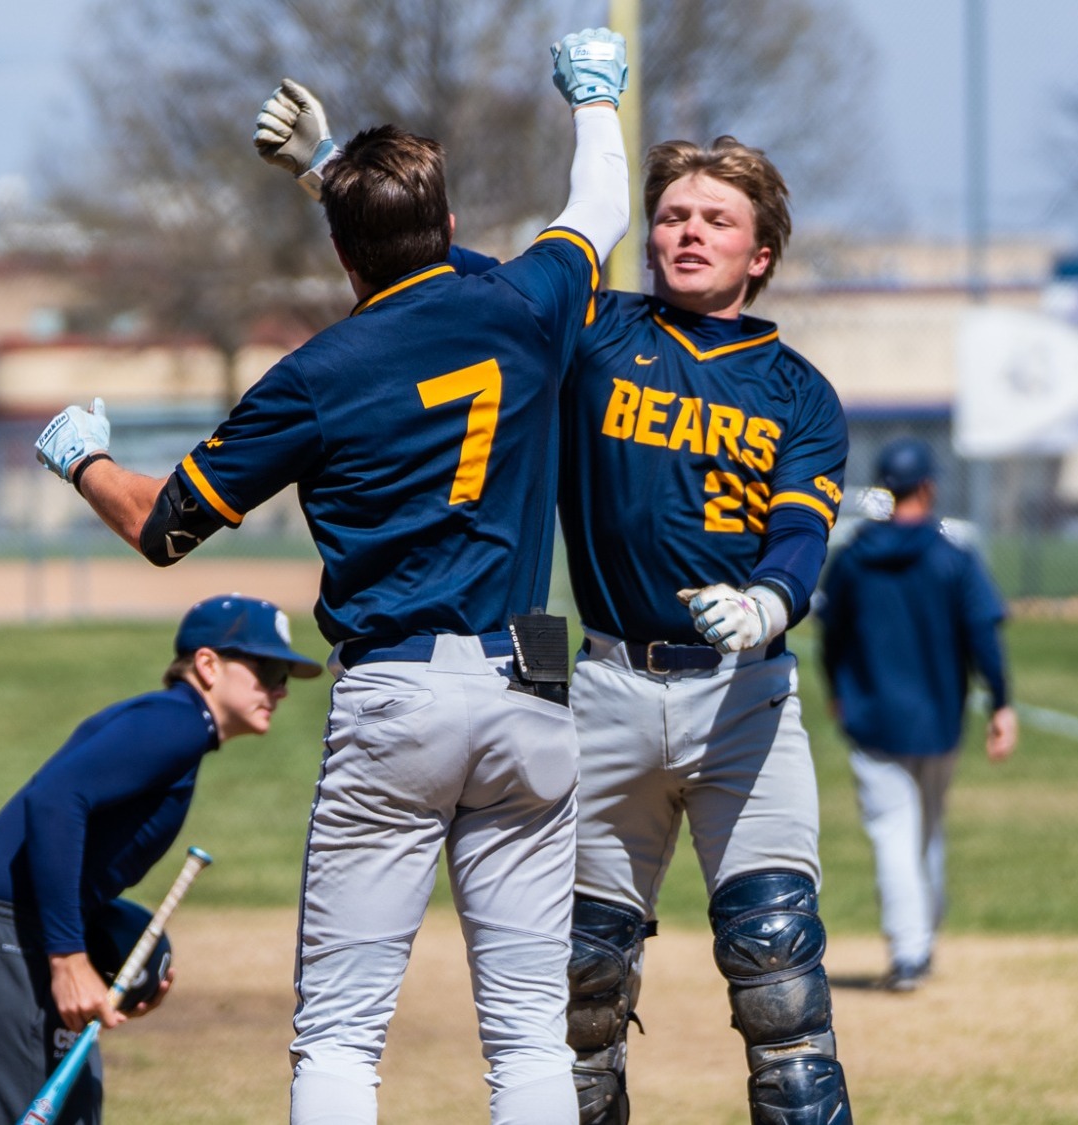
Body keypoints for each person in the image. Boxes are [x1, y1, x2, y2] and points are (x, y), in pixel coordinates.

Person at [34, 29, 631, 1124]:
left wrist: (84, 458)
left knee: (343, 1038)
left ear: (346, 258)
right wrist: (593, 98)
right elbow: (597, 210)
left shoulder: (314, 377)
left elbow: (163, 528)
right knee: (527, 1037)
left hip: (395, 694)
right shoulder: (523, 306)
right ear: (448, 228)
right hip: (527, 689)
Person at [254, 86, 851, 1122]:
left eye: (717, 220)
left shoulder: (796, 390)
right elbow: (442, 282)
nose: (686, 232)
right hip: (606, 690)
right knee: (575, 995)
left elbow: (800, 529)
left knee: (776, 971)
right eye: (669, 214)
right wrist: (325, 177)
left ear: (761, 254)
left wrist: (767, 601)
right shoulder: (590, 333)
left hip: (742, 702)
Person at [0, 594, 319, 1125]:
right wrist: (68, 959)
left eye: (284, 675)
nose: (281, 689)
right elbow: (56, 800)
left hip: (9, 940)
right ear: (207, 665)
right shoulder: (176, 720)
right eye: (266, 669)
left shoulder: (178, 730)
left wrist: (119, 965)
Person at [816, 438, 1018, 992]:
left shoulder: (853, 558)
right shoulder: (952, 556)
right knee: (926, 830)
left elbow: (830, 635)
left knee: (893, 834)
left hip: (872, 716)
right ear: (927, 486)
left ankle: (910, 950)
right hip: (938, 718)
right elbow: (984, 633)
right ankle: (919, 942)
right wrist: (1001, 702)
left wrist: (836, 687)